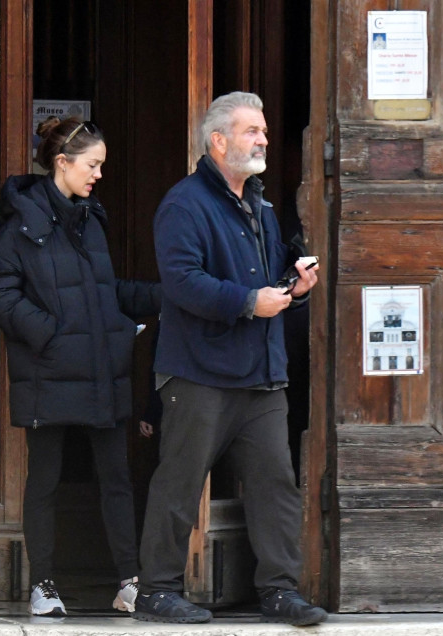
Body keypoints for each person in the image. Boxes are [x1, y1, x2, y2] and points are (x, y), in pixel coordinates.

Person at [131, 92, 327, 627]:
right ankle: (157, 591)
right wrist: (247, 303)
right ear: (218, 141)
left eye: (263, 131)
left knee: (275, 486)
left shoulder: (260, 206)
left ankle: (280, 591)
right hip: (198, 372)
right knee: (179, 485)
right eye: (251, 131)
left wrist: (295, 287)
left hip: (262, 375)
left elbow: (266, 286)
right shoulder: (184, 203)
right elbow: (183, 282)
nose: (263, 139)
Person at [0, 117, 160, 617]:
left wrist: (164, 299)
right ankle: (43, 586)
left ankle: (129, 582)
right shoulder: (22, 222)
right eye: (93, 164)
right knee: (45, 480)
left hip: (100, 370)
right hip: (49, 371)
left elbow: (106, 292)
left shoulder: (90, 218)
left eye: (101, 165)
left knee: (116, 477)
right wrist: (51, 335)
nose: (99, 174)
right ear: (62, 163)